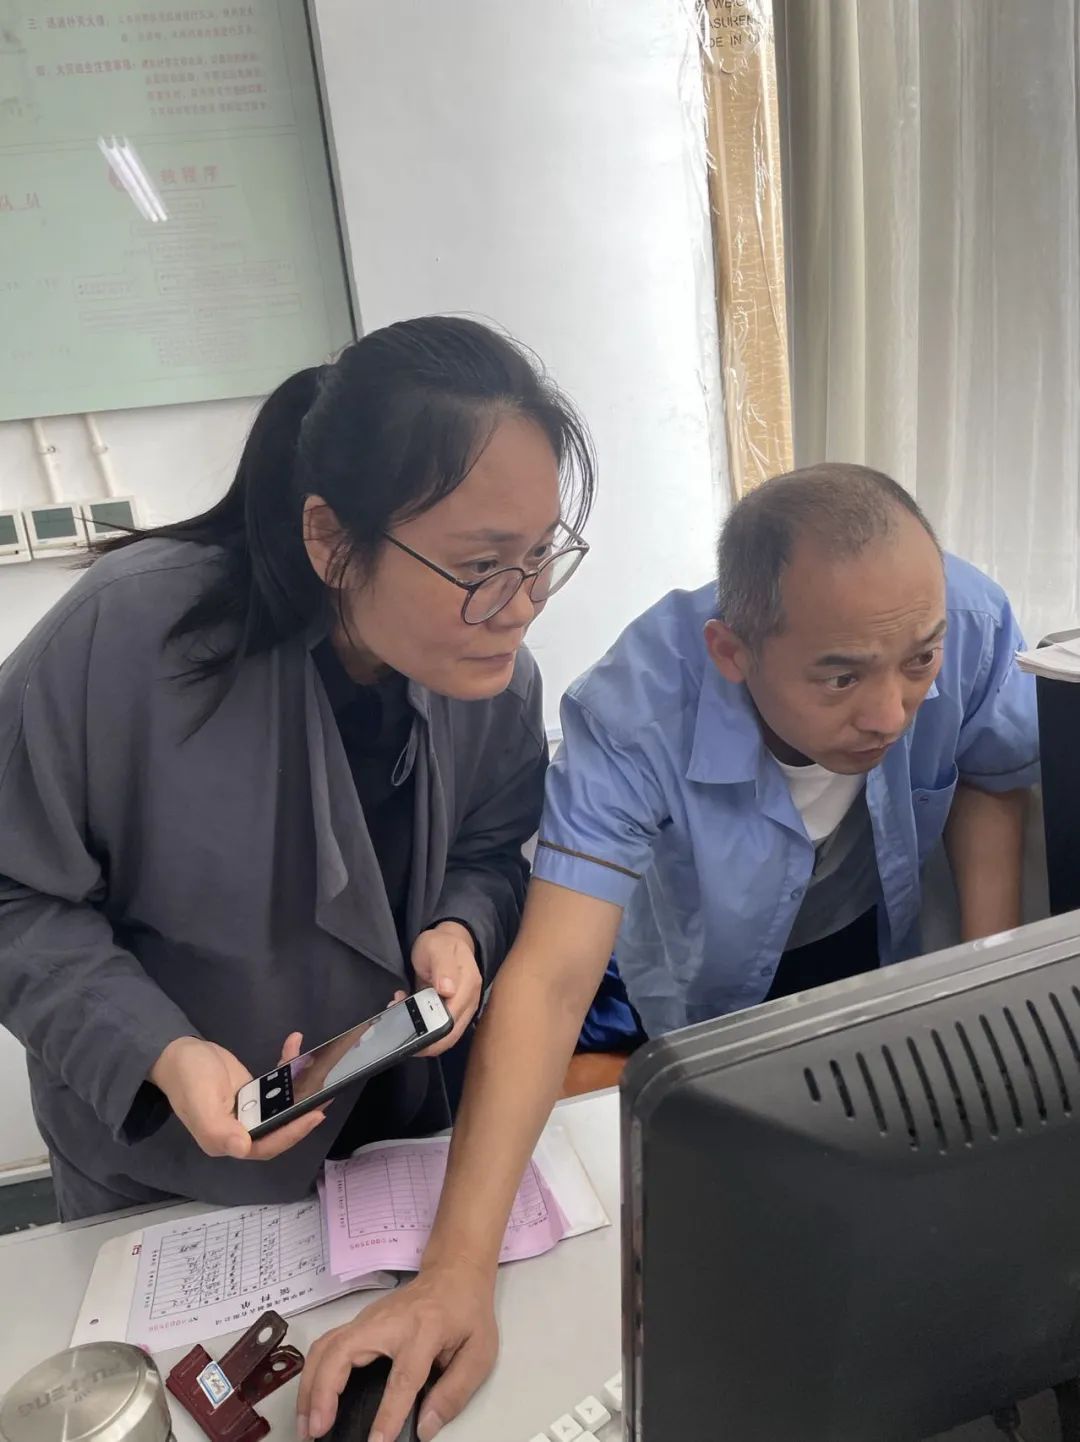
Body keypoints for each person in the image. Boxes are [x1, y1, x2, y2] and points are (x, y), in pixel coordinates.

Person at [297, 463, 1040, 1442]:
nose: (891, 714)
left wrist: (983, 991)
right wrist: (454, 1272)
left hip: (871, 932)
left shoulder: (962, 617)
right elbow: (551, 978)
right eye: (841, 676)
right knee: (721, 1179)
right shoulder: (635, 709)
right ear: (732, 651)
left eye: (918, 663)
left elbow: (993, 772)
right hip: (704, 968)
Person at [0, 315, 595, 1221]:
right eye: (481, 564)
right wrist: (158, 1049)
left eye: (541, 553)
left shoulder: (495, 681)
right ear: (331, 540)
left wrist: (461, 927)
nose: (521, 606)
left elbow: (492, 851)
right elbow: (13, 892)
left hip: (404, 1154)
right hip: (177, 1178)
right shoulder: (127, 639)